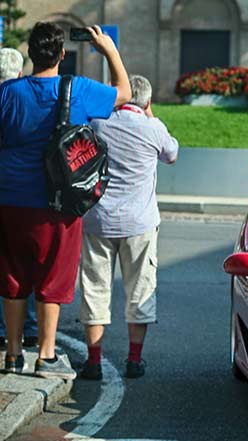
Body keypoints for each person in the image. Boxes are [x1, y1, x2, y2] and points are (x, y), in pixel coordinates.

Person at [0, 23, 130, 378]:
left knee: (12, 276)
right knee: (52, 277)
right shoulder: (79, 90)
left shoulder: (8, 92)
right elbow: (125, 93)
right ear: (61, 54)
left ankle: (12, 354)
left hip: (9, 199)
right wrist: (108, 50)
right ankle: (45, 355)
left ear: (30, 53)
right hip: (57, 201)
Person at [75, 75, 178, 381]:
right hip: (139, 222)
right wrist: (152, 115)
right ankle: (134, 359)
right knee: (139, 289)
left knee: (94, 288)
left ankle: (93, 361)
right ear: (146, 102)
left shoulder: (98, 124)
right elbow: (172, 154)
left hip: (97, 219)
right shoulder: (153, 128)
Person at [0, 47, 39, 352]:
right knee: (26, 266)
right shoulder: (25, 98)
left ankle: (4, 330)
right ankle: (29, 328)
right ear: (19, 74)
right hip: (26, 195)